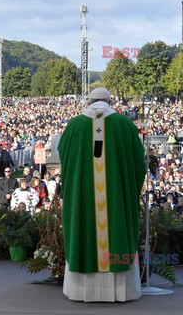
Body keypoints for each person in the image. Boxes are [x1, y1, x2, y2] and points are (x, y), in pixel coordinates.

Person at [58, 87, 146, 302]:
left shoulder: (75, 124)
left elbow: (63, 157)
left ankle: (80, 291)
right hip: (115, 198)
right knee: (116, 228)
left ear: (89, 102)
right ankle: (120, 291)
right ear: (110, 101)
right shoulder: (124, 124)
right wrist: (125, 187)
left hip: (83, 197)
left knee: (83, 226)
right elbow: (139, 165)